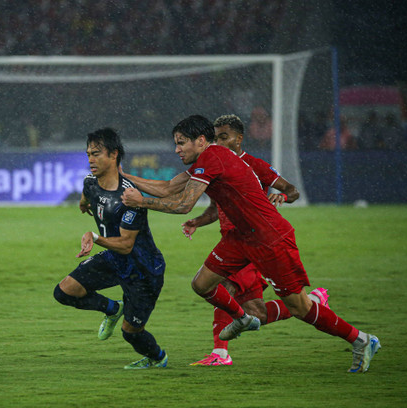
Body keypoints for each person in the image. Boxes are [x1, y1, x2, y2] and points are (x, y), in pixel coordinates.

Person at [120, 114, 380, 373]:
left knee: (299, 307)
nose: (176, 149)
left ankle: (361, 340)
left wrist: (140, 201)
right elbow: (167, 188)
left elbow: (183, 204)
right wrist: (124, 177)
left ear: (200, 141)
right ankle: (243, 318)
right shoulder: (206, 159)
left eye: (181, 143)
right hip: (240, 237)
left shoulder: (213, 157)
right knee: (202, 284)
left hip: (270, 238)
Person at [177, 114, 328, 366]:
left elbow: (292, 190)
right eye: (216, 137)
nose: (219, 142)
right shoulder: (215, 163)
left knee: (223, 288)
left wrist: (284, 197)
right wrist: (198, 222)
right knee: (256, 312)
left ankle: (220, 353)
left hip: (255, 242)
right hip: (233, 242)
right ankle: (312, 302)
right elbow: (216, 208)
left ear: (239, 138)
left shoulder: (253, 164)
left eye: (225, 137)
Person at [53, 128, 168, 369]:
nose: (90, 160)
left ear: (114, 154)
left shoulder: (129, 197)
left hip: (142, 269)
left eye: (96, 154)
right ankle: (113, 308)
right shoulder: (90, 183)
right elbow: (86, 198)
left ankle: (158, 358)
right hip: (114, 260)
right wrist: (84, 205)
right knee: (64, 292)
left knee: (131, 333)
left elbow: (126, 245)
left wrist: (94, 236)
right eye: (88, 154)